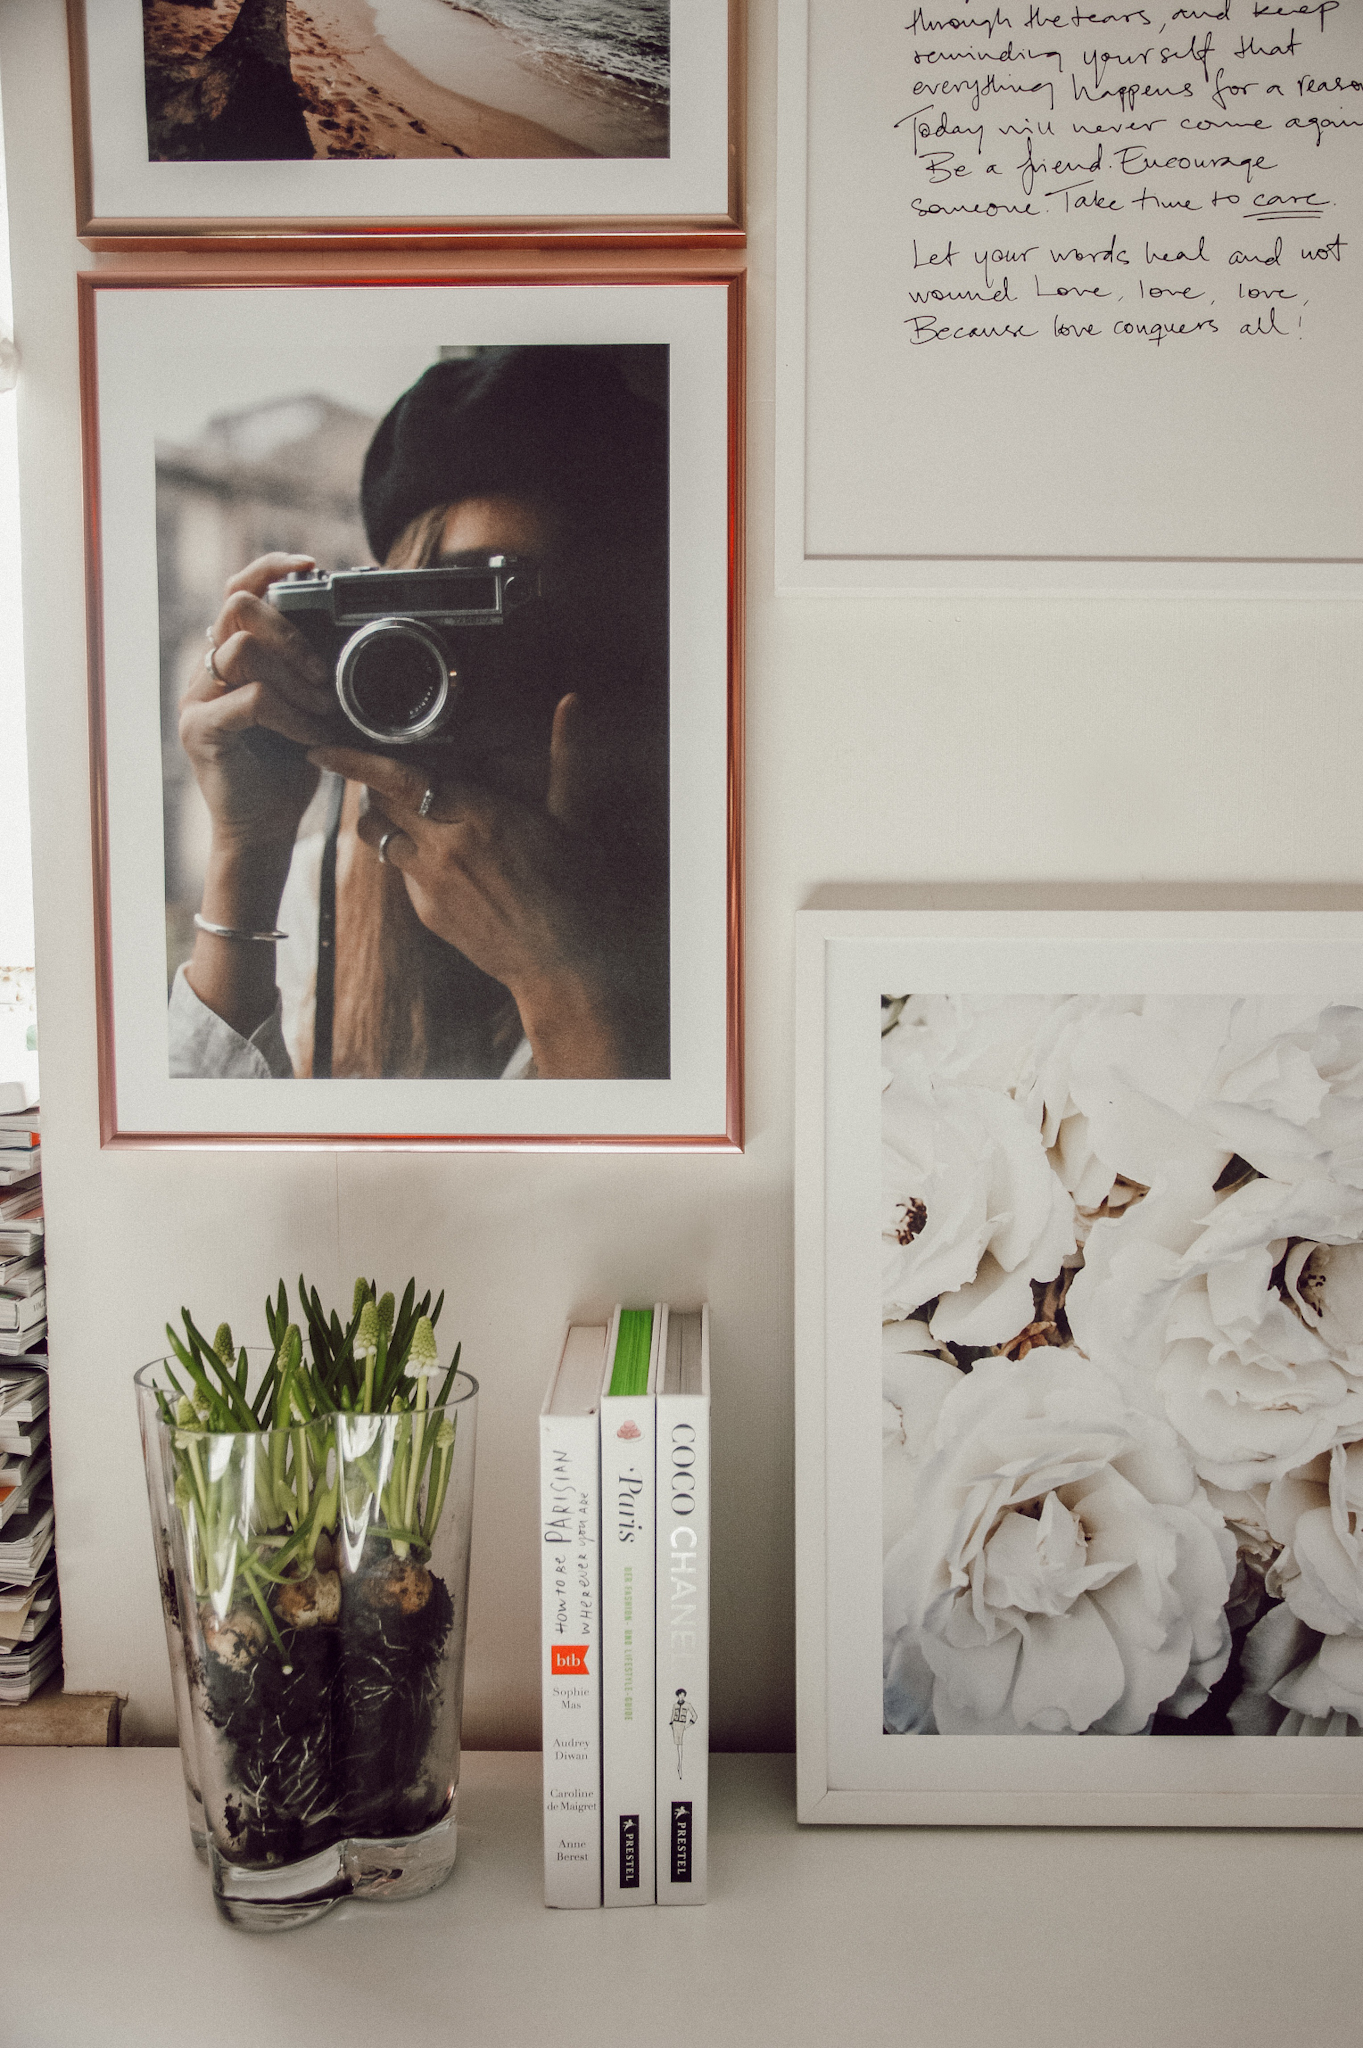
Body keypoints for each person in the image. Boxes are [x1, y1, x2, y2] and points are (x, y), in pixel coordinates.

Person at [168, 347, 670, 1082]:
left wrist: (561, 978)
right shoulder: (326, 891)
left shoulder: (705, 906)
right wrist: (247, 848)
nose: (517, 671)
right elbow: (204, 1184)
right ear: (386, 633)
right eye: (472, 607)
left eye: (556, 621)